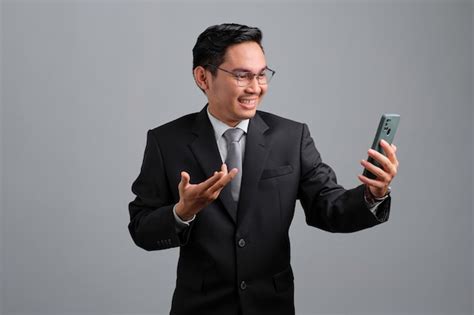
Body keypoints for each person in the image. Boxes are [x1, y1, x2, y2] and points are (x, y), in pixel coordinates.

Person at [128, 23, 399, 315]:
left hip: (272, 307)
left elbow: (329, 206)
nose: (255, 88)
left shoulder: (292, 138)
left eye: (261, 75)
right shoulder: (166, 141)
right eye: (242, 76)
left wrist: (374, 194)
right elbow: (142, 229)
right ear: (203, 77)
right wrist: (182, 212)